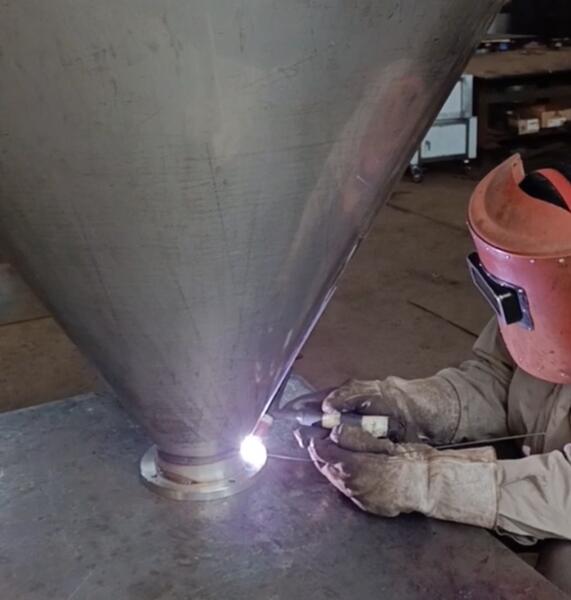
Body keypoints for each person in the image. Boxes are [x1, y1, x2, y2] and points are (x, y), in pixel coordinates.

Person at [302, 155, 571, 594]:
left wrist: (421, 482)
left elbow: (565, 494)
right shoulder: (544, 285)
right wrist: (410, 404)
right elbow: (498, 377)